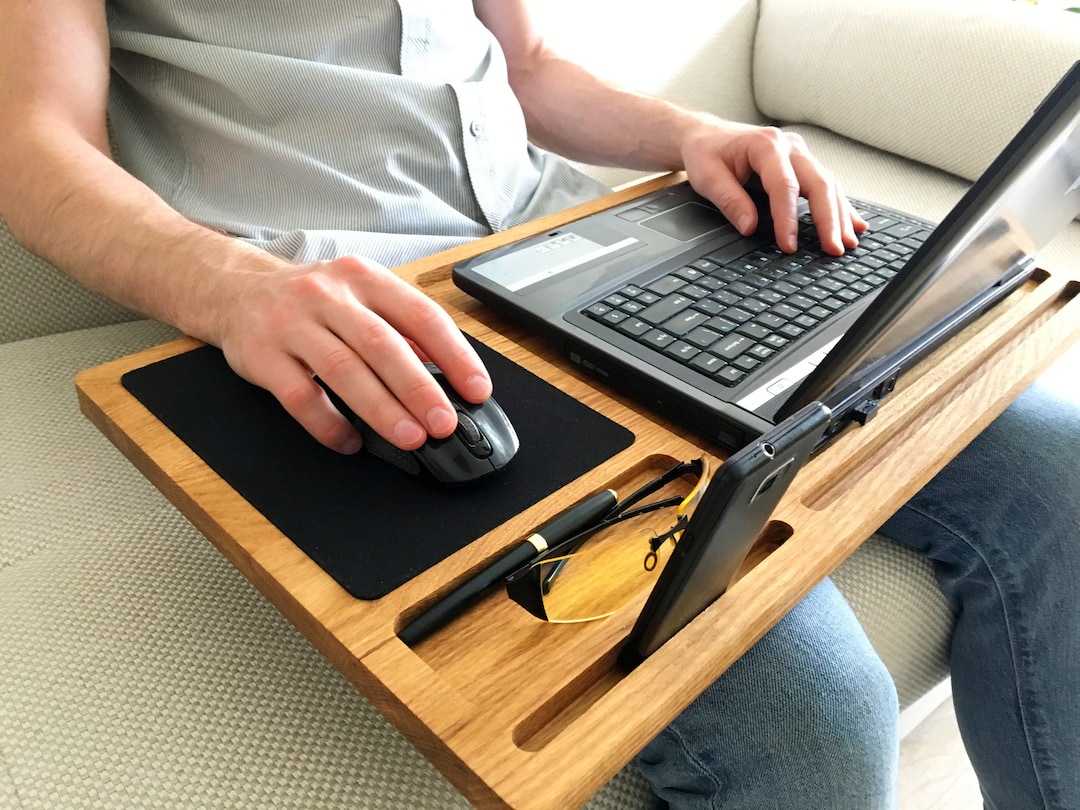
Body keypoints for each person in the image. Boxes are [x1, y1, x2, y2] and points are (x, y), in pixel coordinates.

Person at [0, 2, 1075, 808]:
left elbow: (528, 66)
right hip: (351, 308)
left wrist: (689, 133)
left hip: (562, 236)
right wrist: (231, 287)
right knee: (822, 719)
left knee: (1061, 474)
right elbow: (33, 143)